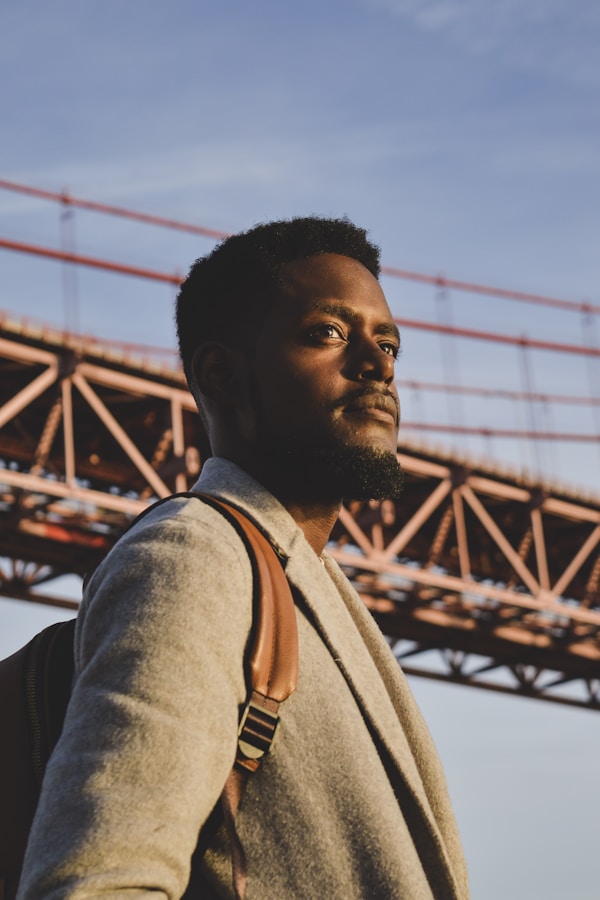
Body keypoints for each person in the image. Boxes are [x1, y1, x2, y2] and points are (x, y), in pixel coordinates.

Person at [17, 217, 469, 899]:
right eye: (328, 333)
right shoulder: (193, 559)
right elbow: (98, 882)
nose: (377, 365)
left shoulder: (309, 585)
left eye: (388, 343)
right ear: (222, 376)